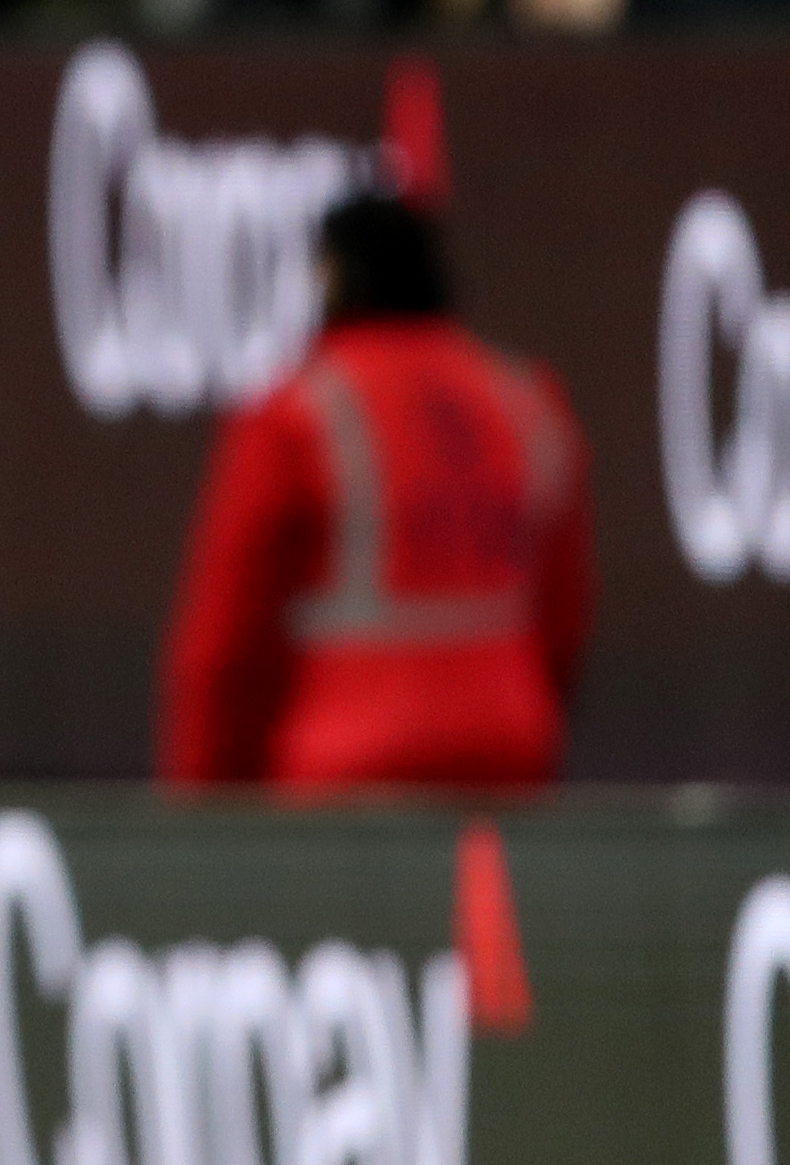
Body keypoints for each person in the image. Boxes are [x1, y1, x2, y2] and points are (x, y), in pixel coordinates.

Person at [158, 195, 592, 791]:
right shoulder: (524, 401)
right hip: (507, 756)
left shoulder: (295, 415)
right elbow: (563, 618)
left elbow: (223, 647)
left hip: (347, 770)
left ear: (330, 276)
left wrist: (201, 815)